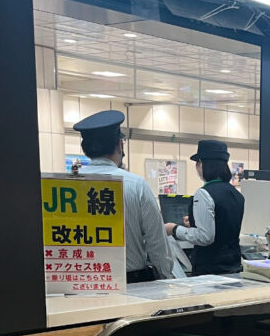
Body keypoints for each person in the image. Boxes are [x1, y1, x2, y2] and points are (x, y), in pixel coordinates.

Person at [73, 110, 173, 283]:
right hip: (130, 284)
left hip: (80, 283)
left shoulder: (66, 185)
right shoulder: (136, 185)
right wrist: (165, 278)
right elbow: (156, 243)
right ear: (120, 144)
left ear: (85, 148)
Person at [165, 139, 244, 275]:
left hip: (210, 269)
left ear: (202, 164)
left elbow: (205, 237)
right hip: (233, 265)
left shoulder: (204, 193)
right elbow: (223, 224)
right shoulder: (236, 194)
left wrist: (174, 229)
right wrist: (194, 224)